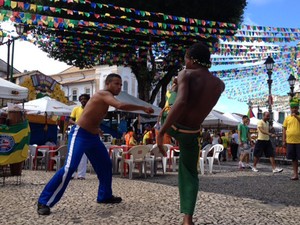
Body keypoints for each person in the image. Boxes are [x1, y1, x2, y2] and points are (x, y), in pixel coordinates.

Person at [37, 73, 154, 215]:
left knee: (105, 165)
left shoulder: (106, 98)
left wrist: (97, 129)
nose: (119, 87)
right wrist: (142, 107)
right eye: (116, 84)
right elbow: (120, 105)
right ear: (108, 84)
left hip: (92, 137)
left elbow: (94, 115)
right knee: (70, 168)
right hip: (79, 134)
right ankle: (44, 201)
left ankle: (104, 196)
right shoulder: (103, 94)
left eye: (121, 84)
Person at [156, 42, 225, 225]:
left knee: (173, 94)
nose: (184, 62)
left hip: (172, 124)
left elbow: (181, 103)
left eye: (186, 59)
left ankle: (171, 94)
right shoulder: (219, 85)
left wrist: (161, 132)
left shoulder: (185, 73)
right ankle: (188, 218)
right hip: (192, 132)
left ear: (192, 60)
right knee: (189, 173)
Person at [69, 93, 90, 180]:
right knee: (74, 153)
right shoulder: (76, 109)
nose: (83, 100)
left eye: (84, 99)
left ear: (88, 100)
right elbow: (70, 120)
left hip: (87, 132)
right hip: (76, 131)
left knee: (83, 155)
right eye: (81, 99)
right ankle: (71, 174)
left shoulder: (91, 109)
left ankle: (81, 175)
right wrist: (76, 123)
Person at [282, 97, 300, 180]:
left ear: (298, 108)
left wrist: (296, 116)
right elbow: (284, 129)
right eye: (292, 108)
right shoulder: (287, 118)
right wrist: (283, 140)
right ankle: (295, 174)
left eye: (295, 108)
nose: (294, 109)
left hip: (299, 141)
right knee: (293, 158)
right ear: (290, 108)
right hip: (290, 141)